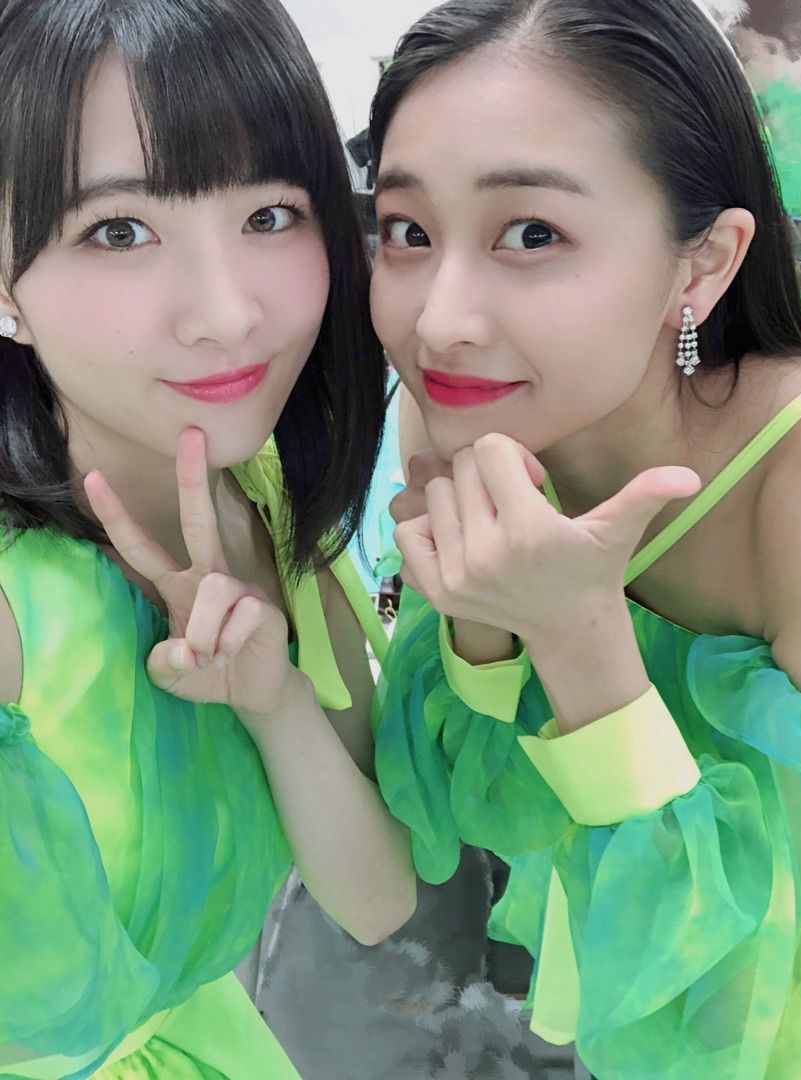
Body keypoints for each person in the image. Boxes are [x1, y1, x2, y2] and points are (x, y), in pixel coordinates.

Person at [368, 1, 801, 1077]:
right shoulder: (462, 413)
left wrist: (578, 639)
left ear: (702, 264)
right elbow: (483, 808)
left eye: (532, 234)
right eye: (407, 231)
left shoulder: (794, 486)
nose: (437, 322)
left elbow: (730, 995)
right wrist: (485, 627)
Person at [0, 1, 416, 1076]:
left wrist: (272, 700)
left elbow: (375, 902)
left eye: (270, 214)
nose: (227, 313)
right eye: (119, 231)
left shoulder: (266, 488)